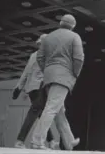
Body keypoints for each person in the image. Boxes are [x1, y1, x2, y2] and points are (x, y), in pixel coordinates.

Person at [30, 14, 85, 150]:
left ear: (60, 23)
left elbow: (40, 57)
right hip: (64, 76)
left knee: (59, 110)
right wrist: (74, 74)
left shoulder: (48, 37)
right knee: (52, 108)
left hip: (49, 76)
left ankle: (69, 140)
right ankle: (37, 141)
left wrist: (47, 70)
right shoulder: (74, 37)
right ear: (73, 26)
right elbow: (79, 58)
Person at [12, 34, 59, 149]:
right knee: (34, 113)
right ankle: (20, 141)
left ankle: (51, 141)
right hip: (40, 88)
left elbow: (26, 72)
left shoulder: (33, 55)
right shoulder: (48, 55)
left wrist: (19, 87)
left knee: (41, 115)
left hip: (32, 89)